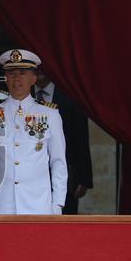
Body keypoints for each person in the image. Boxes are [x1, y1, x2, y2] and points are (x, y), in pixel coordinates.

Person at [0, 49, 67, 215]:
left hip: (38, 205)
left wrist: (57, 204)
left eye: (23, 73)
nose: (17, 79)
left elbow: (58, 162)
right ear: (5, 78)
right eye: (11, 73)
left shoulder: (50, 114)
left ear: (33, 78)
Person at [33, 70, 93, 215]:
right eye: (36, 67)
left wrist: (84, 177)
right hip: (29, 176)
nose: (40, 70)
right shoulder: (21, 95)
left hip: (65, 174)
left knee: (63, 220)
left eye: (44, 66)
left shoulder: (70, 96)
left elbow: (81, 137)